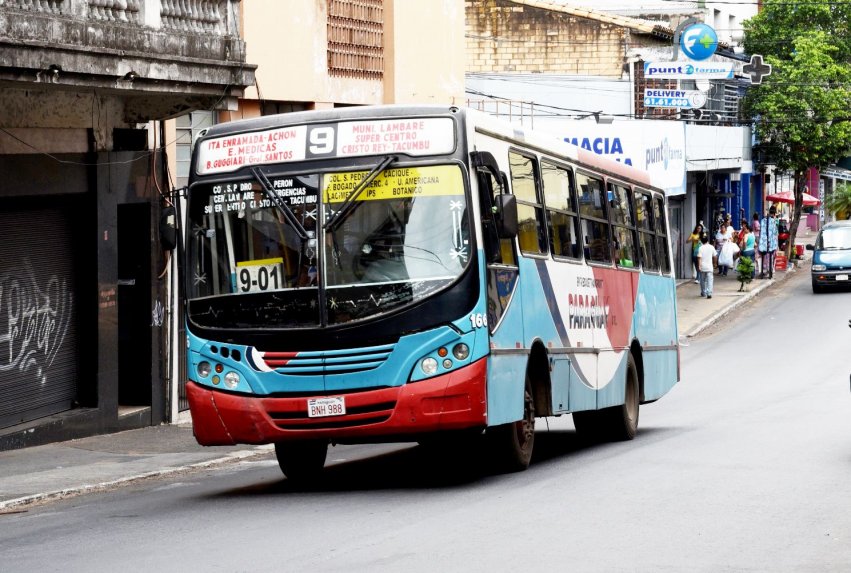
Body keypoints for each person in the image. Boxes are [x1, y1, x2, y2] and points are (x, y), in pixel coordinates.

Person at [758, 206, 779, 279]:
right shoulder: (774, 221)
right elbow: (775, 233)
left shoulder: (763, 221)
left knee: (765, 257)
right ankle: (769, 270)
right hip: (771, 242)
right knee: (771, 256)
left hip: (763, 242)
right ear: (774, 213)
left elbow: (761, 232)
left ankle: (765, 270)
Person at [697, 233, 717, 299]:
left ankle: (703, 292)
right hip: (709, 267)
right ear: (707, 240)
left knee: (702, 281)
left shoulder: (700, 248)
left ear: (702, 241)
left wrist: (699, 266)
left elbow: (699, 258)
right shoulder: (711, 247)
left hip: (703, 267)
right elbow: (715, 256)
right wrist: (715, 263)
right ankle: (709, 293)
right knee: (710, 280)